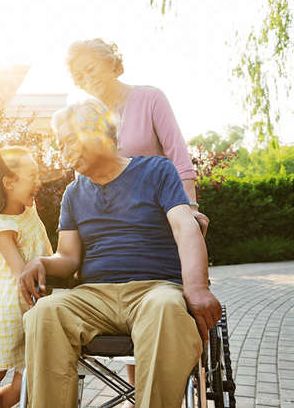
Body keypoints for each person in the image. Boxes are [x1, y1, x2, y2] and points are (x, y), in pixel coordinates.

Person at [18, 100, 221, 408]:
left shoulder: (156, 170)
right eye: (60, 145)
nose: (64, 152)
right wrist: (41, 262)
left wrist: (197, 287)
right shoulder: (73, 194)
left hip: (154, 290)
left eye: (69, 140)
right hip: (94, 296)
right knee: (44, 314)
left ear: (97, 132)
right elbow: (68, 257)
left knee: (167, 308)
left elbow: (185, 227)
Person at [65, 38, 210, 394]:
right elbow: (83, 179)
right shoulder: (87, 117)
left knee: (157, 307)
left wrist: (188, 213)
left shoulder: (149, 99)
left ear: (112, 63)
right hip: (113, 231)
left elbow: (178, 160)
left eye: (91, 68)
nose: (87, 78)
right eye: (79, 75)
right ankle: (135, 396)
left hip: (159, 217)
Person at [0, 146, 54, 408]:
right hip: (8, 310)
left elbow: (46, 251)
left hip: (33, 306)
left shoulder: (28, 209)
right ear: (9, 183)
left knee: (23, 385)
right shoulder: (2, 227)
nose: (38, 182)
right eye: (32, 176)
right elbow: (23, 273)